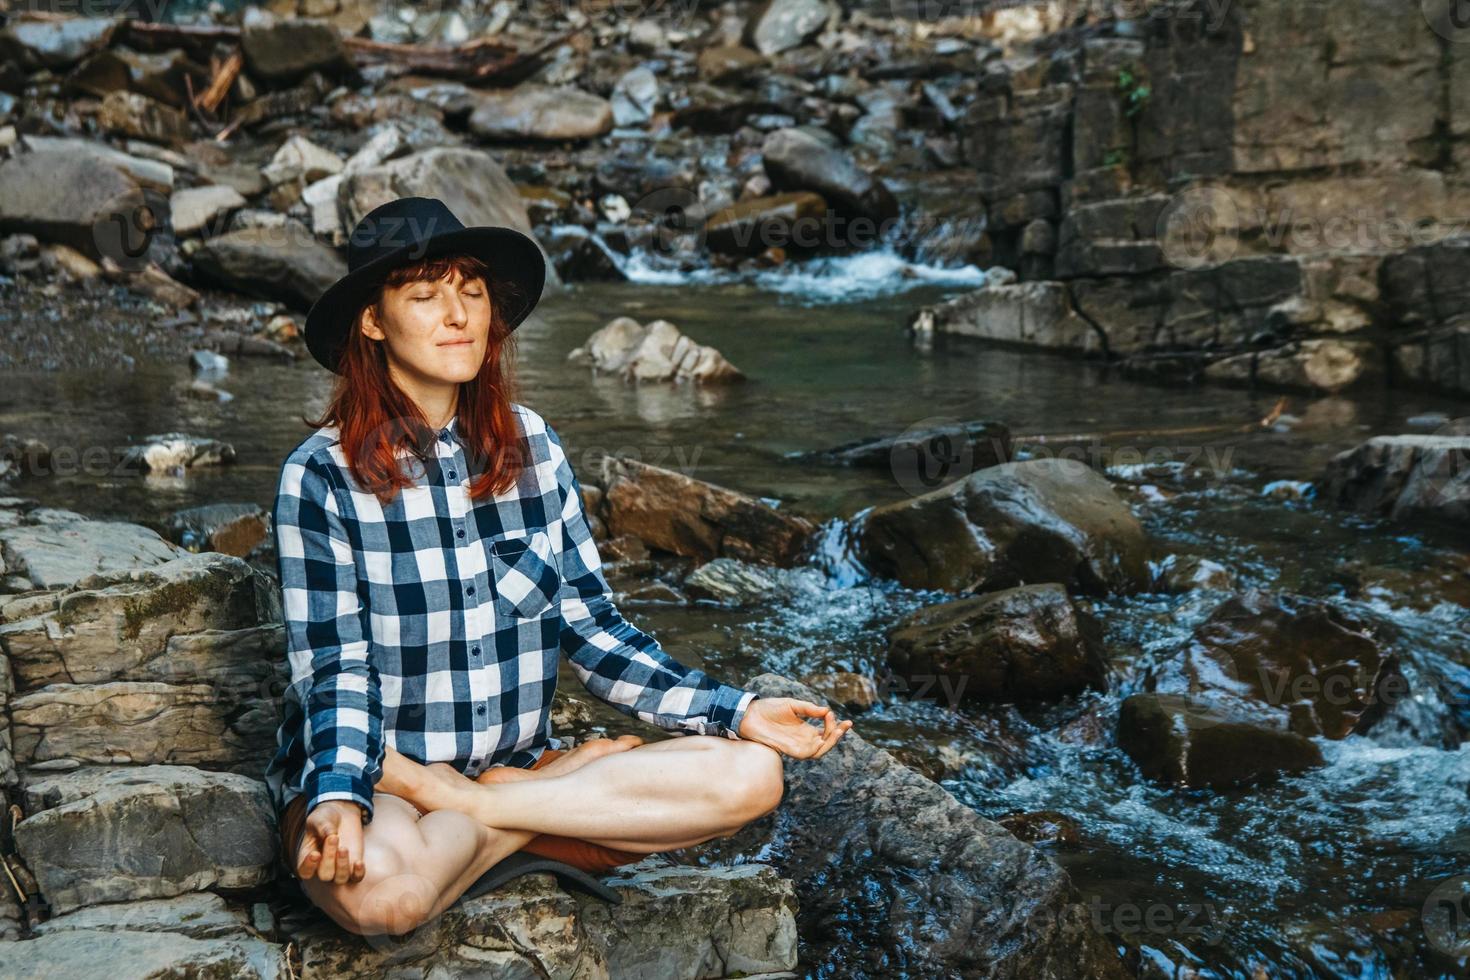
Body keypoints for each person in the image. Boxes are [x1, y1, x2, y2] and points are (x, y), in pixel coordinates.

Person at [263, 197, 853, 937]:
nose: (458, 316)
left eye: (472, 293)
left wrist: (737, 710)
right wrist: (340, 798)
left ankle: (491, 810)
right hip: (388, 780)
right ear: (373, 322)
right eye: (426, 295)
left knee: (753, 774)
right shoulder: (321, 476)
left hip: (519, 771)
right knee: (387, 903)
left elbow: (593, 629)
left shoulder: (533, 449)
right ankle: (539, 807)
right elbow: (335, 668)